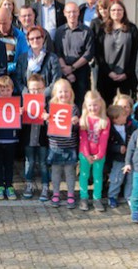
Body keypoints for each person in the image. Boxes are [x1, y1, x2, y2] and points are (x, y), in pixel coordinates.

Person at [43, 79, 80, 209]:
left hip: (69, 146)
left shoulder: (74, 108)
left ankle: (71, 194)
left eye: (66, 91)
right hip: (55, 146)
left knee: (70, 172)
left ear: (71, 93)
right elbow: (49, 127)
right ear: (55, 93)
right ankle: (56, 193)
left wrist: (76, 123)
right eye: (60, 92)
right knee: (56, 172)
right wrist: (46, 119)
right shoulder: (51, 107)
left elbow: (76, 130)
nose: (63, 94)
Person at [95, 0, 138, 105]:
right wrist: (109, 72)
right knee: (107, 106)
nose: (116, 12)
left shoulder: (132, 28)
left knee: (126, 107)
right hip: (106, 75)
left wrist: (127, 73)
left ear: (124, 11)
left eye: (119, 10)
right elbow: (98, 53)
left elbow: (136, 53)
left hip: (127, 76)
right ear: (109, 12)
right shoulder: (102, 29)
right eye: (113, 10)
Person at [54, 2, 94, 107]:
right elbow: (57, 52)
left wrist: (72, 68)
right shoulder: (60, 31)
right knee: (64, 102)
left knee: (82, 102)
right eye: (69, 12)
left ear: (78, 12)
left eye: (74, 11)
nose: (72, 14)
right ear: (64, 13)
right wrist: (66, 70)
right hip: (63, 71)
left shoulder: (87, 31)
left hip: (82, 72)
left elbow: (88, 53)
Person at [78, 90, 110, 212]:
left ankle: (97, 198)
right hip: (84, 153)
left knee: (98, 176)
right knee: (84, 175)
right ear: (86, 105)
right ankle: (84, 197)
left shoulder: (105, 120)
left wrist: (100, 154)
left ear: (100, 104)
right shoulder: (84, 119)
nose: (93, 108)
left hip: (99, 155)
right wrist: (86, 154)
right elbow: (83, 138)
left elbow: (104, 139)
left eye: (95, 105)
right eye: (90, 105)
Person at [21, 74, 50, 201]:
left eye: (39, 89)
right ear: (28, 89)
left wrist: (47, 117)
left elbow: (55, 123)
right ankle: (29, 185)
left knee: (43, 163)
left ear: (44, 89)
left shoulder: (48, 104)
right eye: (33, 89)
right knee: (29, 162)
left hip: (43, 140)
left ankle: (45, 187)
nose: (35, 92)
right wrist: (21, 113)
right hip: (29, 140)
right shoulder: (25, 103)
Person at [14, 26, 61, 97]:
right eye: (32, 39)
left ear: (43, 39)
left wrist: (42, 95)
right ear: (28, 41)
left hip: (47, 100)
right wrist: (27, 94)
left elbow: (56, 80)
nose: (35, 40)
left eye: (38, 38)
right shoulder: (22, 58)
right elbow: (18, 80)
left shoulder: (52, 58)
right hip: (27, 100)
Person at [0, 75, 20, 201]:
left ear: (12, 89)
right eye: (2, 90)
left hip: (11, 139)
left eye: (7, 90)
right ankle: (0, 185)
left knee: (9, 164)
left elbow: (20, 122)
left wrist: (20, 113)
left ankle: (9, 185)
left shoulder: (16, 103)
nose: (5, 93)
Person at [106, 105, 133, 208]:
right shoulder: (111, 130)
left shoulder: (129, 126)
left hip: (130, 158)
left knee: (130, 178)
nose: (126, 117)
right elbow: (108, 145)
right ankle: (112, 196)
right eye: (123, 115)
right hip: (119, 159)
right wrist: (118, 148)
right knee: (116, 178)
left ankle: (129, 196)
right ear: (115, 119)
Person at [0, 7, 29, 77]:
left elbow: (22, 59)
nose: (2, 27)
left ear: (10, 19)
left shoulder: (19, 36)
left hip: (13, 75)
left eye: (4, 23)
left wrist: (5, 69)